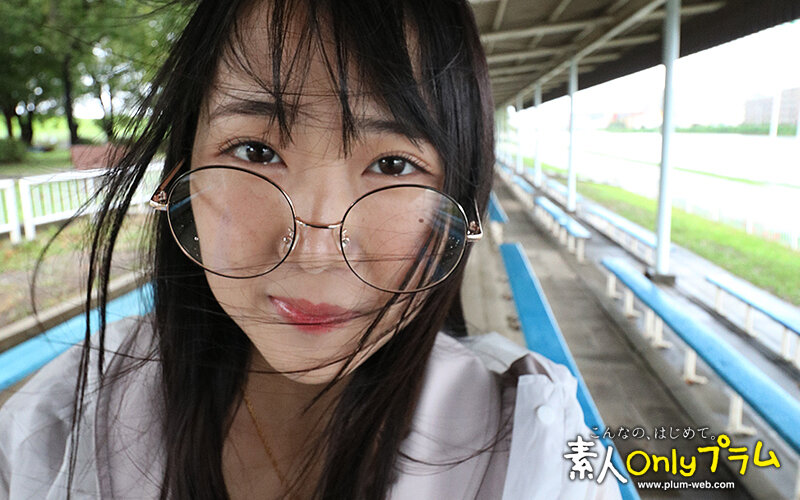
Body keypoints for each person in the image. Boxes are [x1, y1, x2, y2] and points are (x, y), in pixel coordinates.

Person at [0, 0, 622, 498]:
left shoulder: (537, 452)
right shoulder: (55, 423)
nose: (316, 255)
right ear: (181, 170)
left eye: (393, 164)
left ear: (460, 200)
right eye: (255, 152)